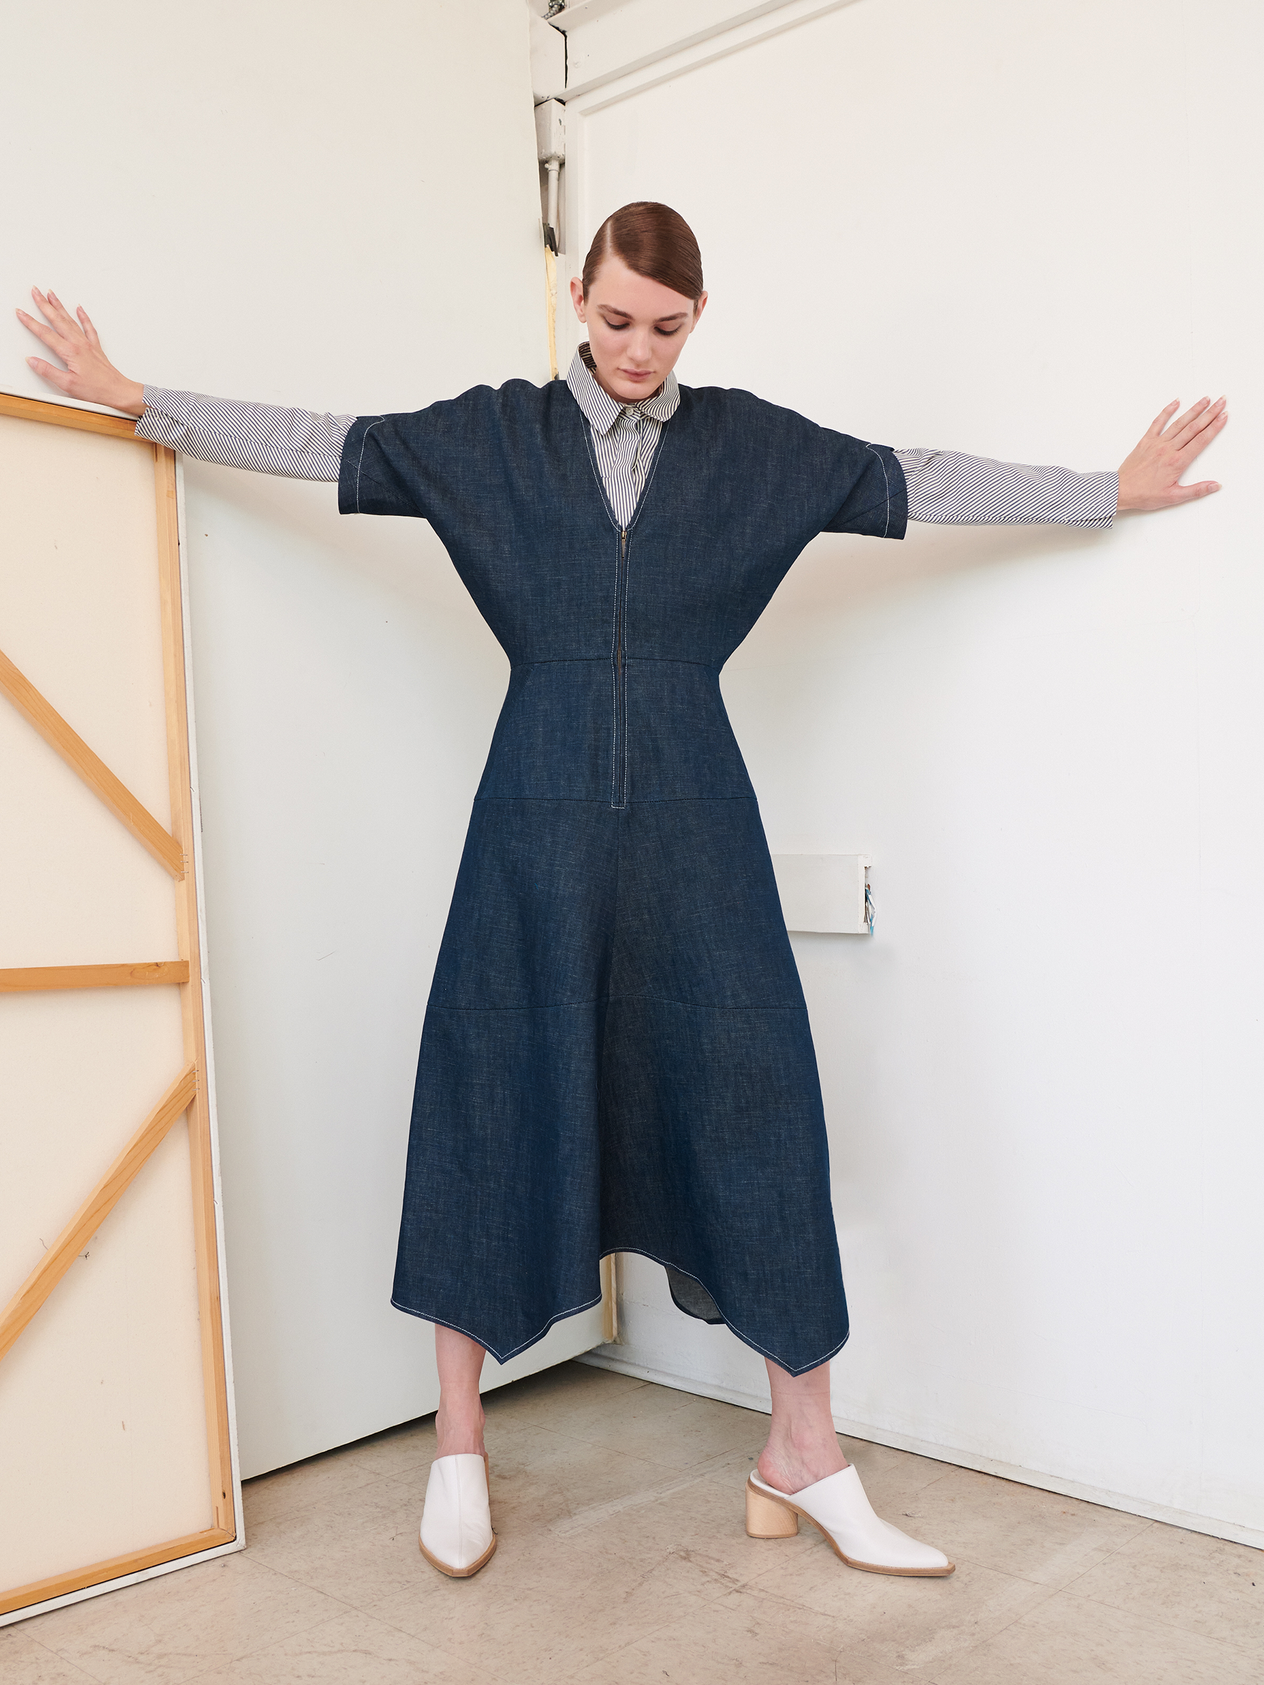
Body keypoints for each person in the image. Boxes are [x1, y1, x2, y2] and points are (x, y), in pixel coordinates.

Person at [17, 202, 1226, 1582]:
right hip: (530, 822)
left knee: (756, 1099)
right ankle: (459, 1445)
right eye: (614, 320)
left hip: (699, 821)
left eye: (666, 327)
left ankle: (805, 1454)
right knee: (490, 1083)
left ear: (696, 320)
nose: (638, 350)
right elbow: (326, 441)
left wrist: (1105, 488)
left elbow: (915, 476)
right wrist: (139, 399)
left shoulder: (756, 450)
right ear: (576, 298)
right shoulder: (492, 438)